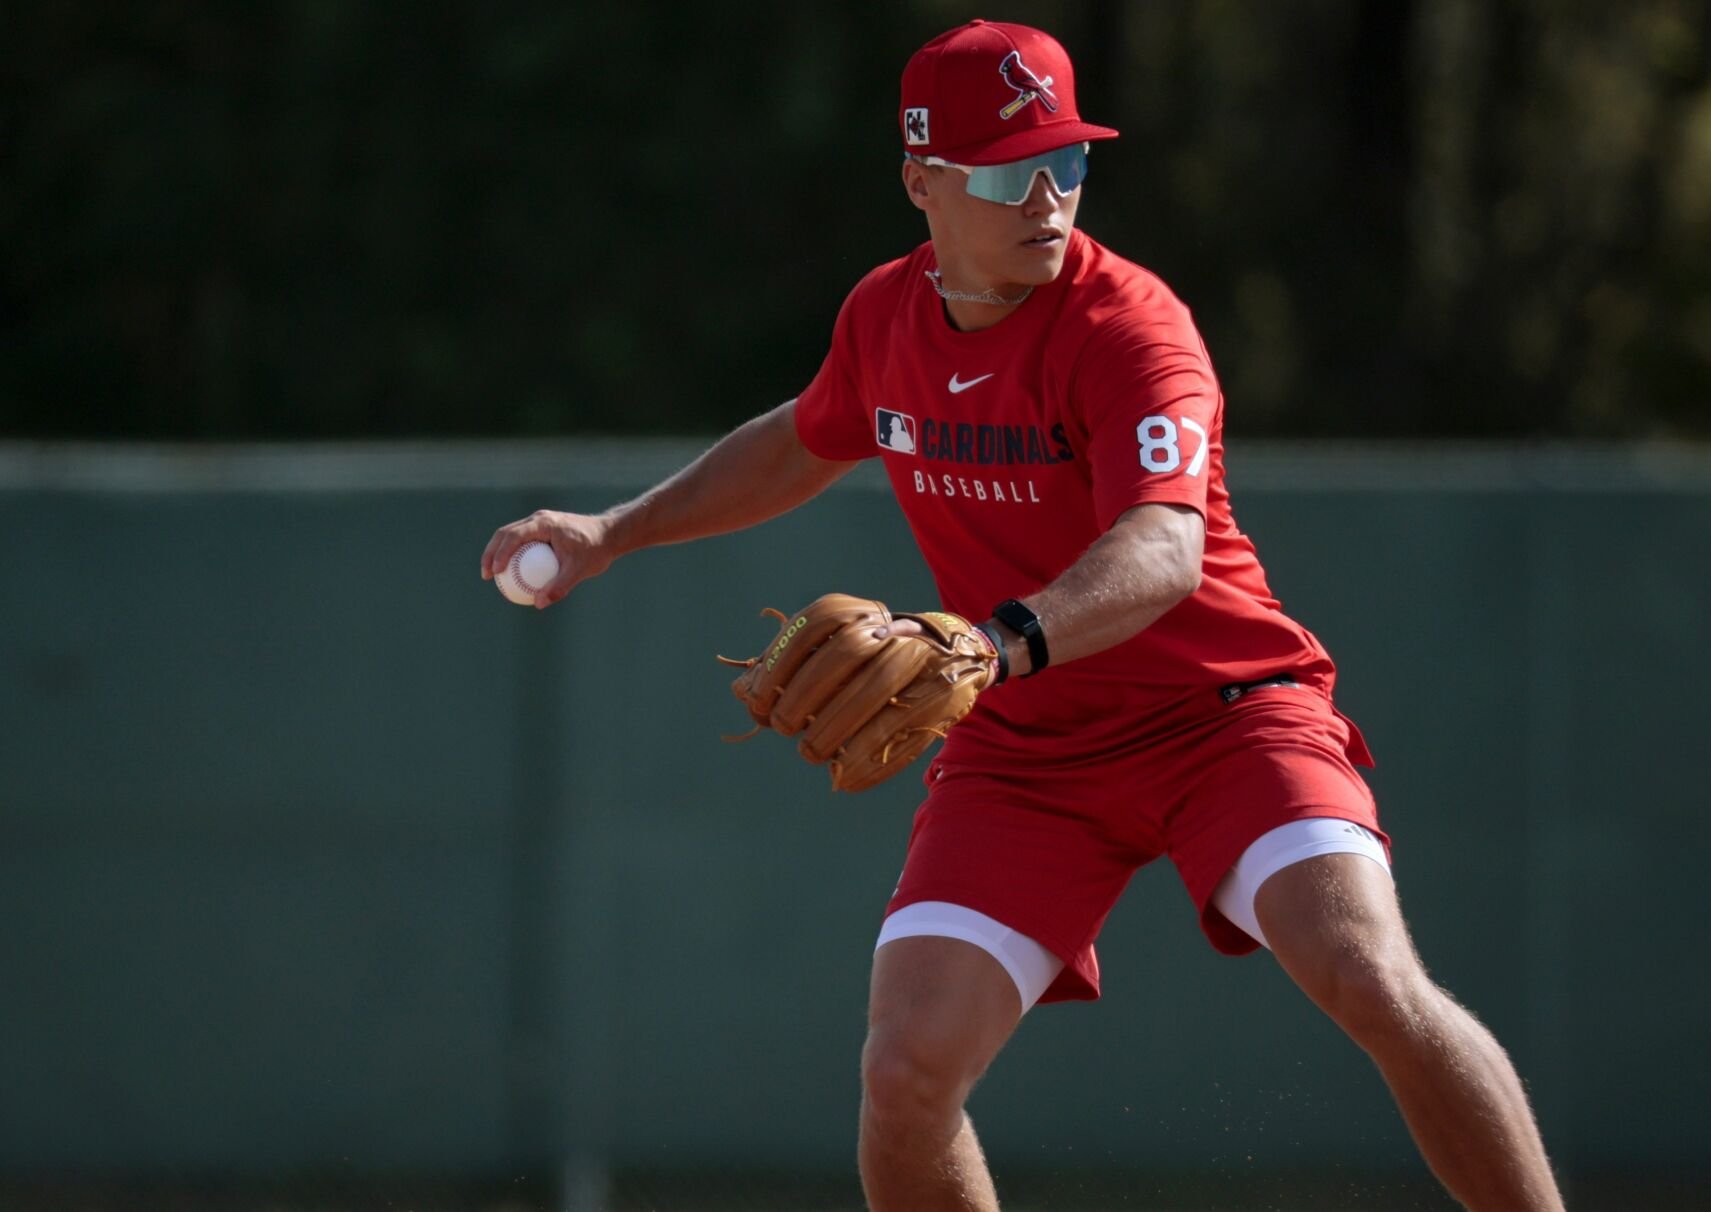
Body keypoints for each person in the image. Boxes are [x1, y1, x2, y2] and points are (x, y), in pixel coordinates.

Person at [481, 20, 1564, 1212]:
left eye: (1070, 161)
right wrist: (609, 533)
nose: (1046, 197)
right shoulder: (885, 319)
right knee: (904, 1074)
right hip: (1027, 753)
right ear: (921, 182)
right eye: (1006, 171)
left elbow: (1161, 547)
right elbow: (801, 438)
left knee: (1367, 976)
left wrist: (1000, 644)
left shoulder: (1128, 326)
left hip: (1225, 720)